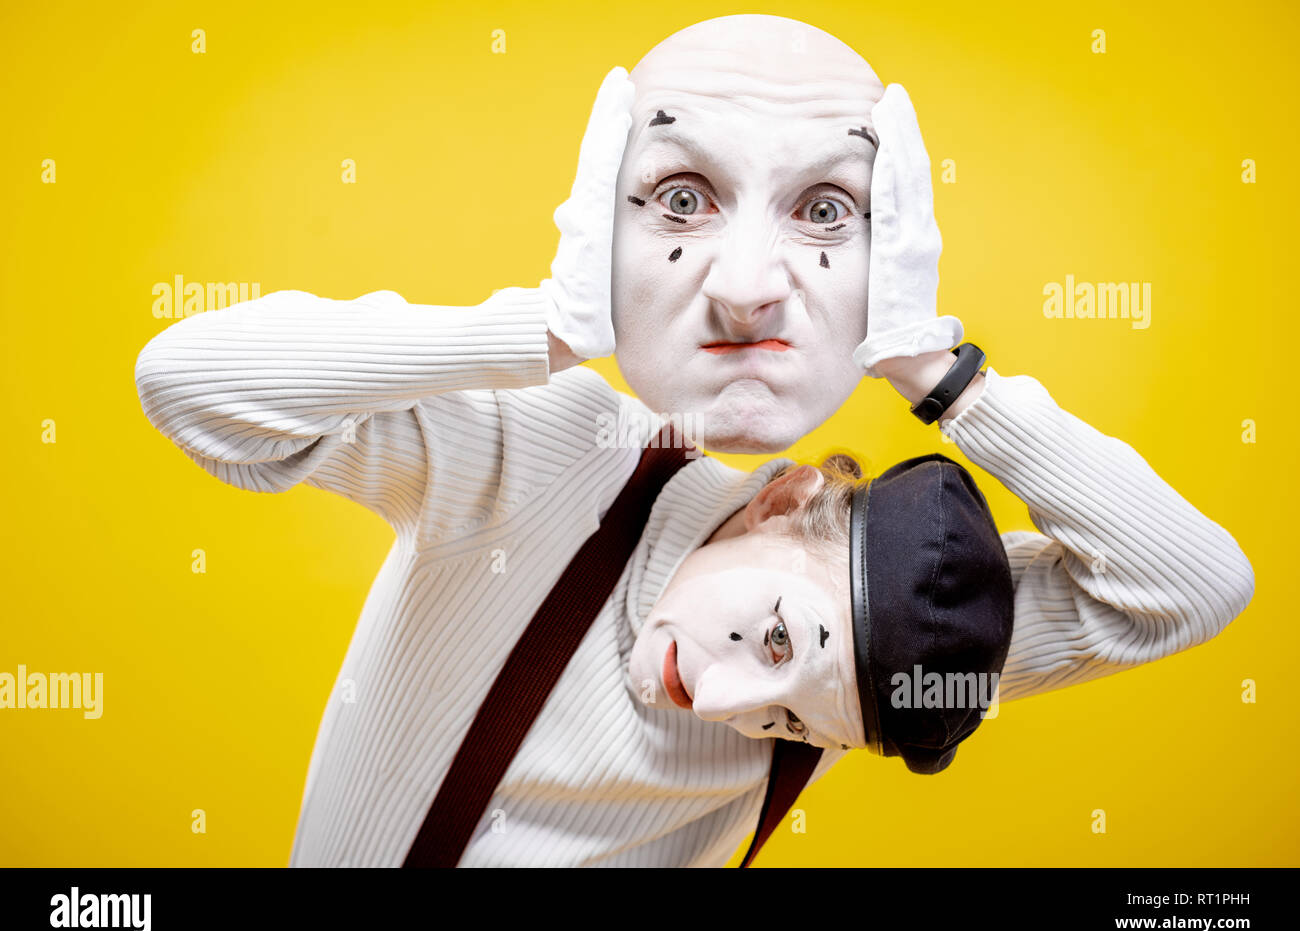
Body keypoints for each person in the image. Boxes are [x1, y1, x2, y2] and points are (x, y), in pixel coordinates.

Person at [132, 18, 1255, 865]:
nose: (724, 706)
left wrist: (934, 367)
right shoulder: (547, 463)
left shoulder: (887, 642)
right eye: (677, 198)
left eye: (827, 212)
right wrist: (540, 329)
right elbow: (191, 388)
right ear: (777, 505)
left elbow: (1193, 586)